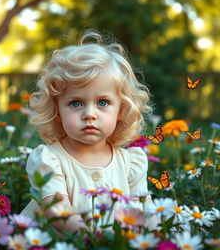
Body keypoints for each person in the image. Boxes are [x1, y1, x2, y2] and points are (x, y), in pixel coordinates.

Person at [22, 29, 154, 232]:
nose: (89, 114)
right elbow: (58, 214)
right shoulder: (49, 159)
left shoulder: (130, 163)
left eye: (103, 102)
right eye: (76, 103)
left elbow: (144, 212)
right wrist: (102, 238)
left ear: (121, 109)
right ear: (57, 110)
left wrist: (158, 235)